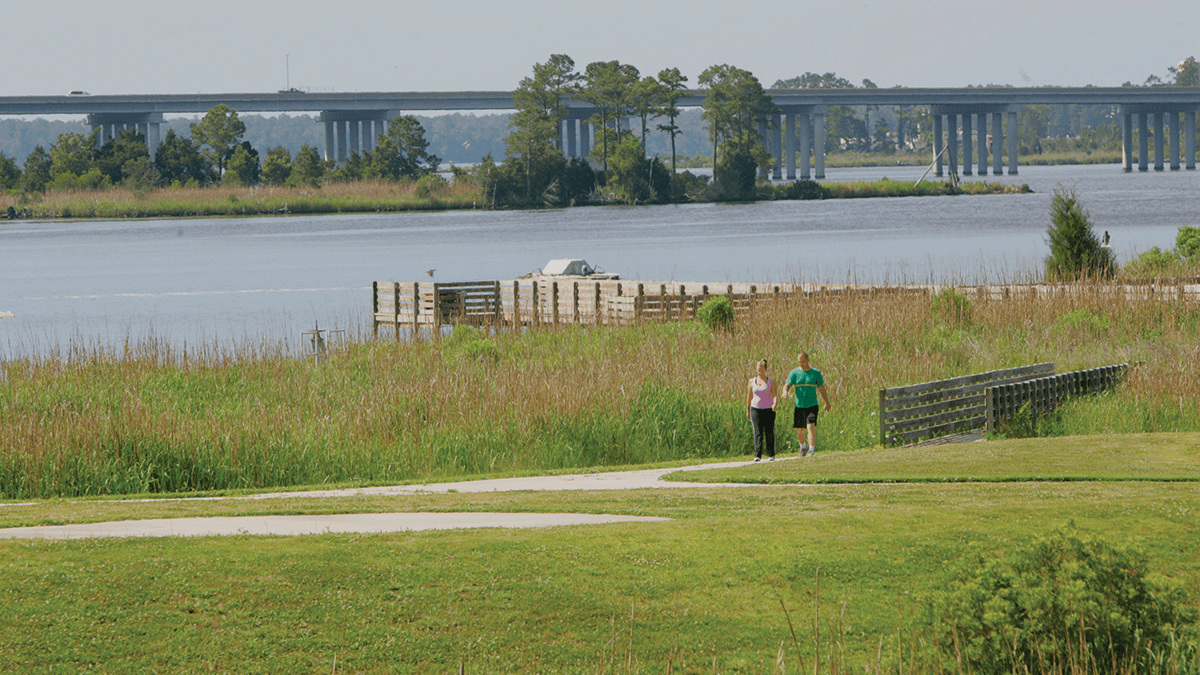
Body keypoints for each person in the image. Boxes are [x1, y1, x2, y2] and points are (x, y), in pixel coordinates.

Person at [784, 352, 832, 457]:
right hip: (800, 405)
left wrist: (827, 403)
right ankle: (803, 447)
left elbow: (822, 389)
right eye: (799, 362)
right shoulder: (795, 373)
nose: (801, 364)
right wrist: (785, 391)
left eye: (803, 362)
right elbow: (787, 384)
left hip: (812, 405)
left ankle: (811, 449)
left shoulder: (815, 373)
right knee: (800, 429)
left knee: (810, 426)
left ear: (808, 360)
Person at [745, 359, 777, 461]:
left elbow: (775, 395)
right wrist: (748, 409)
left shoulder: (771, 381)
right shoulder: (752, 381)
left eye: (762, 370)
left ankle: (770, 454)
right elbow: (749, 396)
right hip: (755, 409)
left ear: (766, 370)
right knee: (757, 432)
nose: (760, 372)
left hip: (768, 409)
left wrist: (775, 403)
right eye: (758, 370)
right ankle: (757, 455)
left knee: (769, 431)